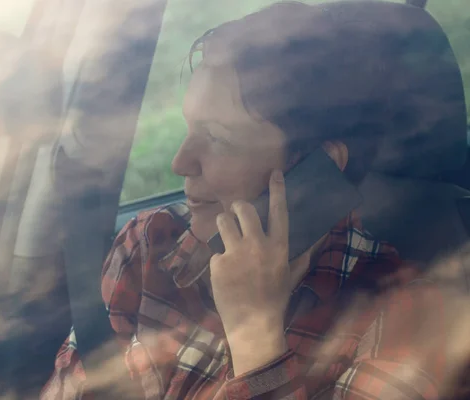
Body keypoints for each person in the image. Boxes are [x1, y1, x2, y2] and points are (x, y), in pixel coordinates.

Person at [41, 1, 449, 399]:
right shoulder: (148, 247)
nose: (180, 163)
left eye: (218, 138)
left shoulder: (404, 320)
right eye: (189, 128)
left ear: (320, 165)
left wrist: (256, 339)